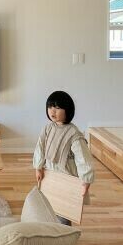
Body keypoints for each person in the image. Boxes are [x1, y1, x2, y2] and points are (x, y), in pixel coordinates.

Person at [33, 91, 94, 223]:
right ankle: (50, 230)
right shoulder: (47, 129)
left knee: (64, 213)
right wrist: (38, 167)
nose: (52, 111)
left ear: (68, 110)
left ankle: (65, 233)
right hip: (49, 176)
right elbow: (40, 148)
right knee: (48, 207)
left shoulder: (74, 134)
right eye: (50, 107)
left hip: (66, 178)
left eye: (57, 107)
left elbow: (83, 159)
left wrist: (86, 180)